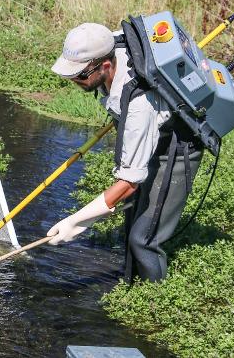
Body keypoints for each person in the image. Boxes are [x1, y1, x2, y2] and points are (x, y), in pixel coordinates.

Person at [46, 23, 203, 282]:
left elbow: (129, 182)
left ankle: (153, 306)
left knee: (143, 239)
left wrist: (76, 222)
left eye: (80, 76)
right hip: (154, 131)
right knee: (132, 219)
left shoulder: (139, 106)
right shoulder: (111, 43)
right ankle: (131, 282)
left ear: (105, 66)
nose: (74, 81)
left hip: (178, 144)